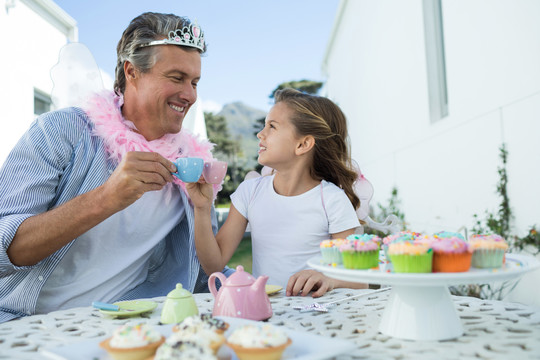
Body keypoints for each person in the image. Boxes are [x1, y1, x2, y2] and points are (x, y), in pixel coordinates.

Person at [0, 12, 230, 323]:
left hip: (129, 328)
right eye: (176, 78)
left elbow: (201, 274)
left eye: (195, 82)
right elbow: (4, 253)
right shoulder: (60, 131)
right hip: (29, 323)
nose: (190, 95)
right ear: (132, 71)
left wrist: (281, 284)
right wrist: (106, 198)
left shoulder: (190, 164)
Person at [187, 88, 367, 298]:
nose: (260, 134)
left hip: (316, 312)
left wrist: (328, 279)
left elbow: (359, 281)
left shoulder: (332, 200)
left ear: (303, 144)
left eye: (272, 126)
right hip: (265, 313)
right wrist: (202, 208)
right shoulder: (250, 192)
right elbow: (214, 265)